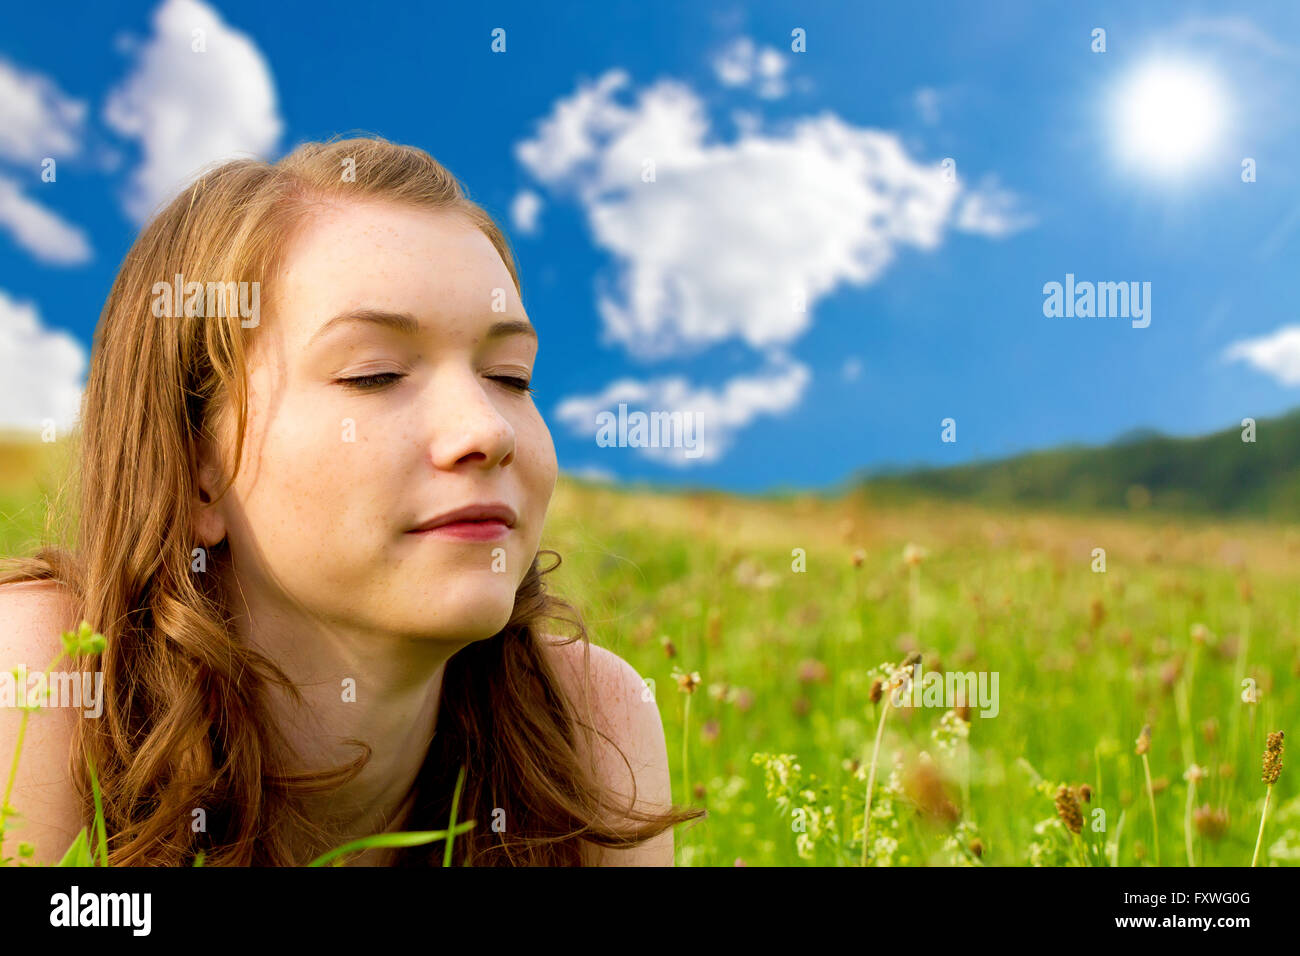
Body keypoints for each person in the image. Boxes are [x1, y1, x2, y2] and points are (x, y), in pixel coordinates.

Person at [0, 136, 704, 866]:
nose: (486, 431)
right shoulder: (40, 682)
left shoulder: (591, 723)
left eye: (511, 377)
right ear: (195, 467)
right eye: (375, 373)